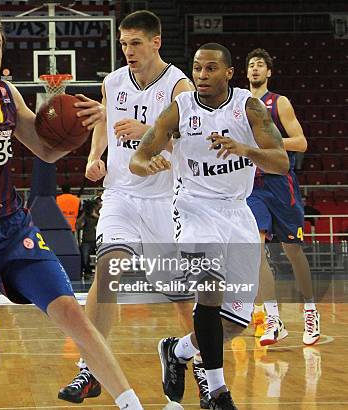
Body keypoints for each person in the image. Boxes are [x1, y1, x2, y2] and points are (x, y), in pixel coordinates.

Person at [0, 14, 144, 409]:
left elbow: (48, 150)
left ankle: (130, 404)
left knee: (71, 311)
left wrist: (81, 129)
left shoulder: (8, 94)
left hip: (12, 228)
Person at [130, 42, 289, 409]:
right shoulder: (180, 109)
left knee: (234, 324)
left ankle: (178, 349)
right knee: (209, 288)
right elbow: (140, 157)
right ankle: (218, 391)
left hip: (236, 212)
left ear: (229, 73)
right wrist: (147, 166)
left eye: (210, 69)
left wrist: (244, 149)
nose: (201, 75)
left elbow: (280, 161)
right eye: (197, 68)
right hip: (193, 208)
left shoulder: (247, 107)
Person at [59, 10, 197, 405]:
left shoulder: (179, 87)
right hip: (119, 193)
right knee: (108, 269)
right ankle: (90, 370)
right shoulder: (113, 80)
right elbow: (106, 121)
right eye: (123, 43)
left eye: (135, 42)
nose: (128, 50)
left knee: (183, 299)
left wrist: (150, 135)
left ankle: (193, 360)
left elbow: (192, 144)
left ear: (156, 42)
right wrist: (94, 156)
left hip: (163, 200)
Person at [245, 48, 320, 346]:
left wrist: (267, 142)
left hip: (281, 183)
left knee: (293, 251)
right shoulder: (240, 104)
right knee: (256, 248)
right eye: (250, 65)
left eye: (260, 65)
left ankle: (311, 309)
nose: (254, 69)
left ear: (269, 72)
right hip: (253, 186)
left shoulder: (280, 102)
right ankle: (273, 319)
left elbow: (301, 142)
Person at [77, 198, 100, 278]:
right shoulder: (85, 217)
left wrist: (95, 215)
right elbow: (78, 225)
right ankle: (87, 272)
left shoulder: (98, 215)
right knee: (85, 256)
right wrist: (84, 214)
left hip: (97, 240)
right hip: (86, 240)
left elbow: (103, 222)